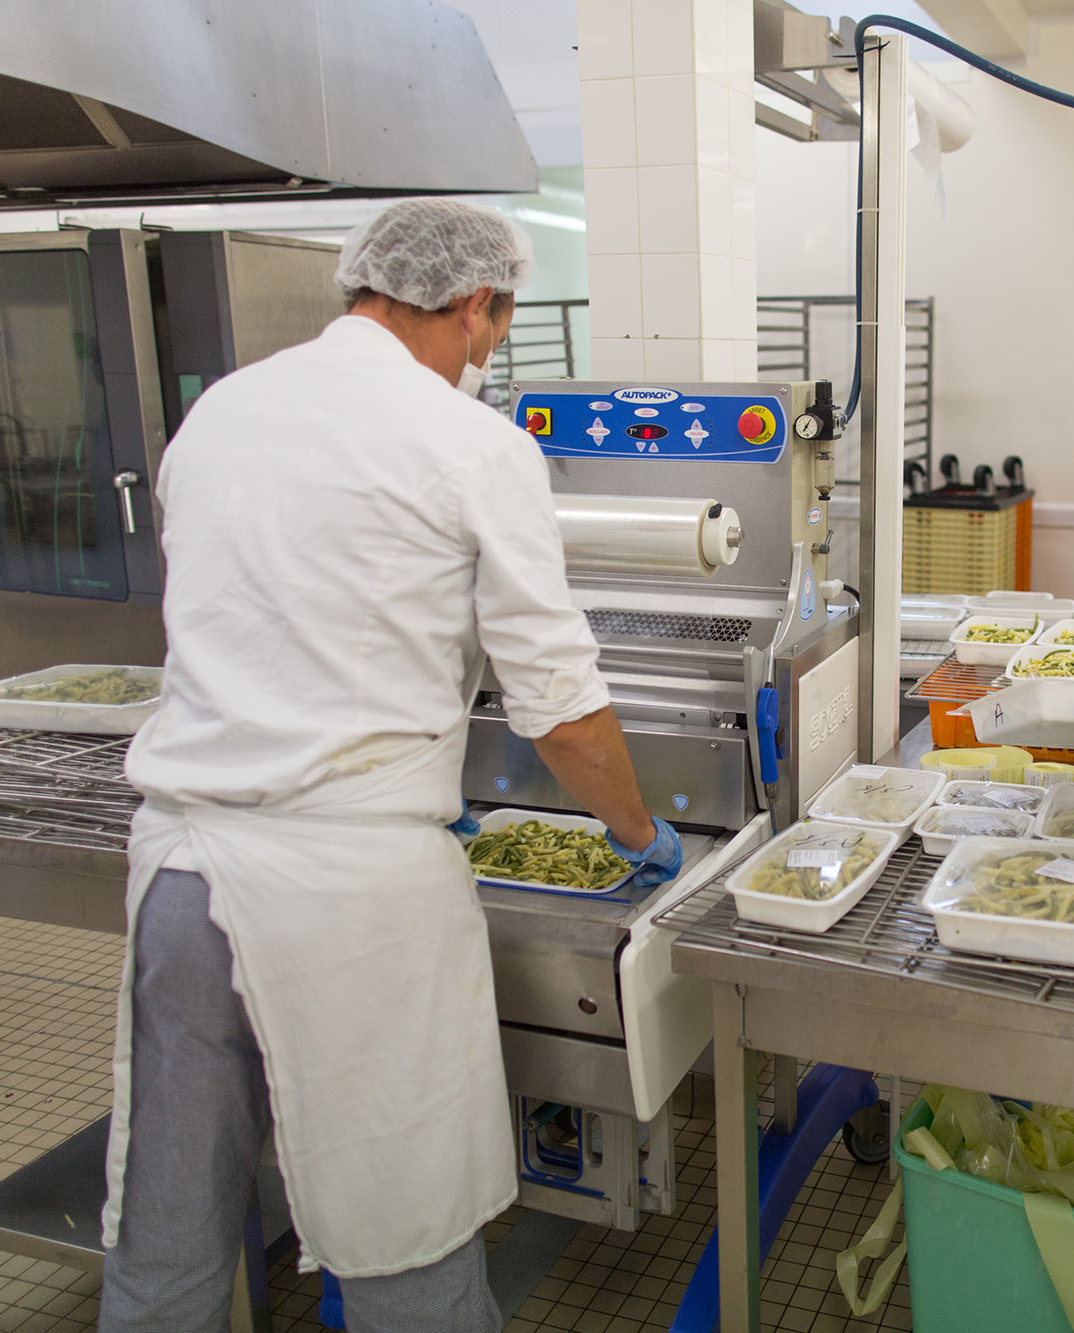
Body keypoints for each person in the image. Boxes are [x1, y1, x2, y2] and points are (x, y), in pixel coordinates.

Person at [97, 199, 683, 1333]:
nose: (487, 356)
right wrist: (634, 835)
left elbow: (255, 610)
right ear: (473, 307)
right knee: (398, 1219)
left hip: (179, 869)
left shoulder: (222, 411)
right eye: (494, 331)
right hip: (348, 907)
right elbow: (559, 708)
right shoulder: (471, 444)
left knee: (170, 1223)